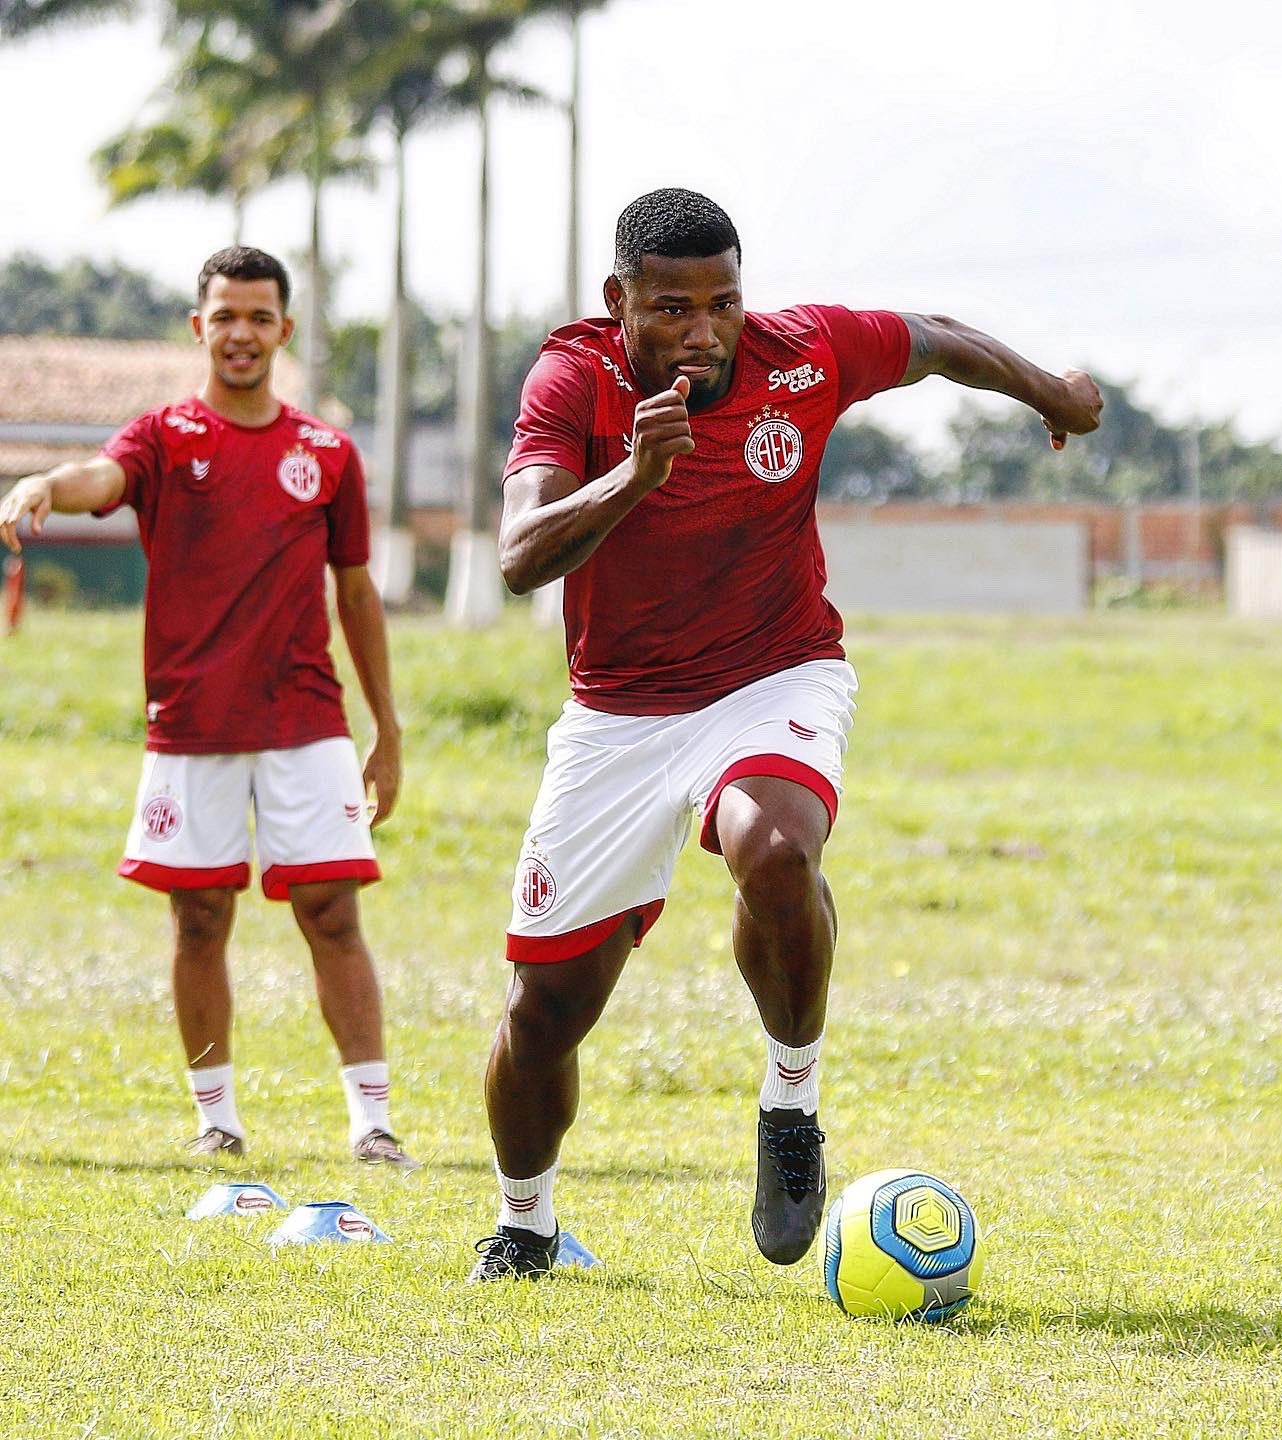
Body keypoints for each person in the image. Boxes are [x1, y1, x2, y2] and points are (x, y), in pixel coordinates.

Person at [471, 189, 1103, 1279]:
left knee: (775, 849)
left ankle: (790, 1102)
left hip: (775, 674)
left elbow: (933, 340)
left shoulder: (800, 353)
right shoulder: (569, 380)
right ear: (618, 301)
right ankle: (524, 1224)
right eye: (672, 309)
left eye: (722, 301)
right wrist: (636, 473)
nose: (704, 331)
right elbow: (521, 556)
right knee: (544, 1016)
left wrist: (1048, 390)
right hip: (618, 715)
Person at [0, 246, 416, 1170]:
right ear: (200, 327)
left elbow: (356, 595)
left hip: (307, 722)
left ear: (284, 331)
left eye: (258, 317)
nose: (240, 333)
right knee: (198, 923)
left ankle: (373, 1123)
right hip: (191, 726)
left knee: (333, 913)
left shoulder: (328, 453)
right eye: (224, 316)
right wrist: (40, 485)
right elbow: (96, 481)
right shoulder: (163, 436)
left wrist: (386, 727)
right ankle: (217, 1120)